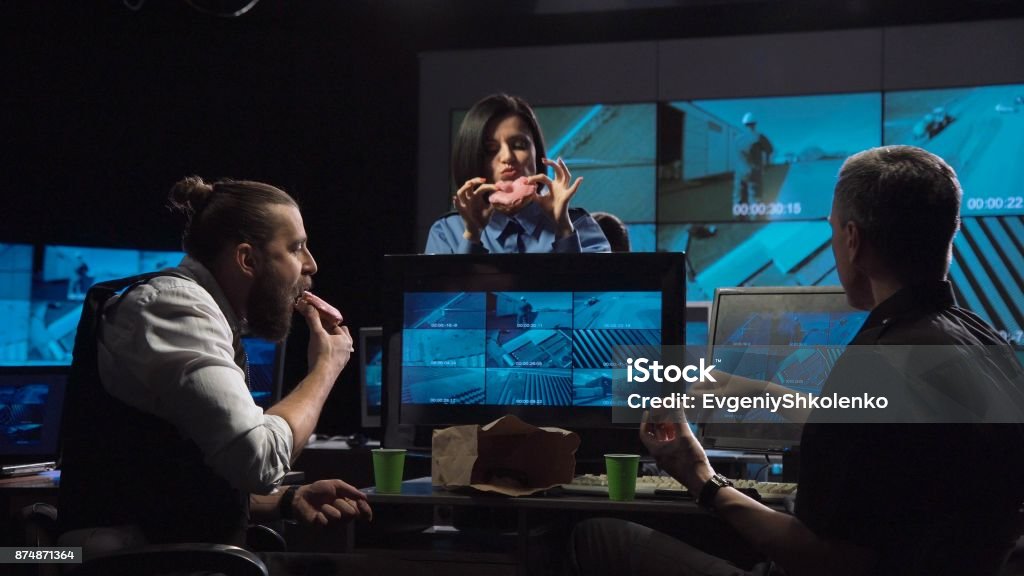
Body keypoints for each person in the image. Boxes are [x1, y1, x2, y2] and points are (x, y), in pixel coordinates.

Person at [568, 146, 1024, 576]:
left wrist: (700, 477)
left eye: (831, 229)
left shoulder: (880, 359)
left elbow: (819, 556)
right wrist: (760, 391)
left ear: (851, 239)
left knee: (592, 536)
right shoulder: (984, 344)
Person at [58, 176, 372, 553]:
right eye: (296, 248)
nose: (311, 265)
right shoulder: (173, 309)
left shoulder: (201, 311)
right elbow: (260, 460)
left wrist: (286, 500)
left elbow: (177, 480)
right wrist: (325, 367)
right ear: (247, 260)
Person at [424, 93, 610, 254]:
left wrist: (563, 228)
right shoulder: (446, 232)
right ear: (473, 158)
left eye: (519, 145)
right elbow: (446, 295)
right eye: (490, 150)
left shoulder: (579, 225)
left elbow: (599, 293)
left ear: (536, 153)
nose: (507, 157)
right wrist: (472, 235)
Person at [733, 112, 774, 212]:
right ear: (755, 124)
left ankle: (740, 219)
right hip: (754, 172)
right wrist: (767, 163)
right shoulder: (759, 137)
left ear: (744, 124)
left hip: (740, 173)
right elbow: (770, 150)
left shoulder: (737, 138)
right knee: (755, 198)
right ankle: (756, 218)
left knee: (739, 198)